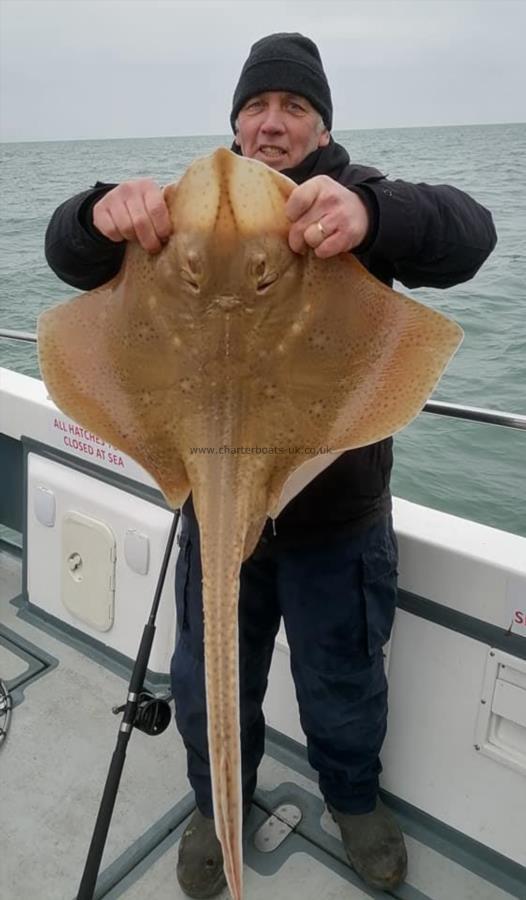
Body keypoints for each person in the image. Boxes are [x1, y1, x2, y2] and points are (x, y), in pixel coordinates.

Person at [45, 32, 497, 898]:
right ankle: (216, 809)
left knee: (344, 677)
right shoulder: (174, 220)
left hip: (338, 522)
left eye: (294, 106)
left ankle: (354, 802)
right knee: (208, 679)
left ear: (322, 126)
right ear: (236, 123)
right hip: (210, 507)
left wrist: (372, 215)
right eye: (256, 106)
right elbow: (67, 256)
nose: (272, 122)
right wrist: (100, 208)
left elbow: (469, 236)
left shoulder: (354, 205)